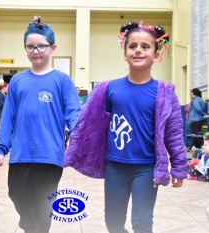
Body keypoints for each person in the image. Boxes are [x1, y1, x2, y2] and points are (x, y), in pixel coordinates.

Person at [65, 21, 187, 233]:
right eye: (132, 46)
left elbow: (174, 133)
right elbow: (91, 124)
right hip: (115, 167)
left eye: (145, 46)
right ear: (125, 53)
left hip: (147, 168)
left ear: (156, 54)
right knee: (113, 222)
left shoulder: (165, 92)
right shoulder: (109, 88)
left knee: (141, 222)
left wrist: (179, 165)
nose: (138, 50)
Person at [0, 16, 81, 233]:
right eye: (30, 46)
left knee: (44, 205)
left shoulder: (62, 80)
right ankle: (30, 226)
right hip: (21, 153)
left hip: (49, 154)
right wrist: (1, 148)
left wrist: (80, 142)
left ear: (52, 48)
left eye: (41, 46)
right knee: (17, 194)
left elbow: (74, 114)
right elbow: (8, 117)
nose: (35, 50)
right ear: (25, 48)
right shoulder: (17, 81)